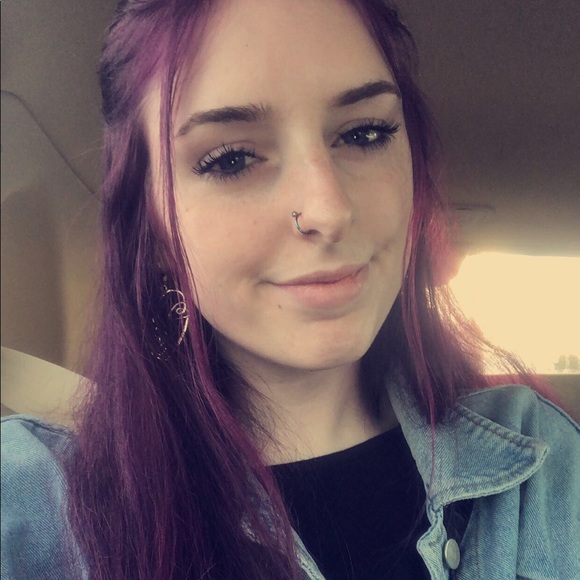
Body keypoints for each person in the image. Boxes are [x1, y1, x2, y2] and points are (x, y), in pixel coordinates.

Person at [2, 0, 578, 578]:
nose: (329, 209)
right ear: (151, 231)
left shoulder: (543, 464)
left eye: (365, 133)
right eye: (231, 159)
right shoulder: (34, 500)